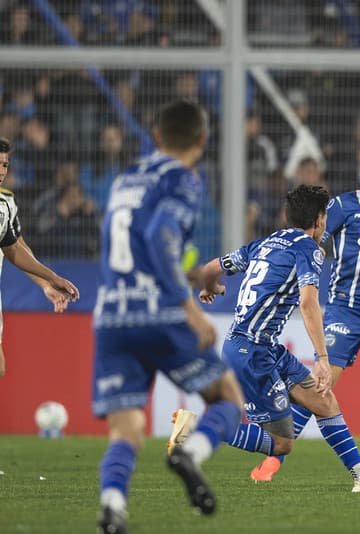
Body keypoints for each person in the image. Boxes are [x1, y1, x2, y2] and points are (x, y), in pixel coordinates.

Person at [173, 184, 360, 493]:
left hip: (263, 347)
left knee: (324, 401)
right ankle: (195, 427)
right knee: (282, 444)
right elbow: (308, 303)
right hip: (251, 352)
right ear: (321, 220)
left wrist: (209, 285)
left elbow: (215, 266)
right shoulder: (309, 249)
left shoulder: (266, 242)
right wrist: (322, 358)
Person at [92, 99, 245, 534]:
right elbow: (159, 238)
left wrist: (198, 274)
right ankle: (189, 454)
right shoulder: (183, 179)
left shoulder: (126, 180)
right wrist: (188, 307)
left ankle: (112, 505)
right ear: (203, 138)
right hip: (159, 311)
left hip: (111, 316)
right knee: (227, 397)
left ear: (156, 136)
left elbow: (137, 249)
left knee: (126, 429)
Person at [246, 143, 360, 482]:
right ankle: (275, 458)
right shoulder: (344, 206)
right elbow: (309, 240)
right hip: (346, 309)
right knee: (319, 388)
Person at [0, 136, 80, 380]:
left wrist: (45, 283)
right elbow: (12, 247)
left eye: (5, 165)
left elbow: (15, 244)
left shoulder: (5, 202)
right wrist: (52, 276)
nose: (1, 170)